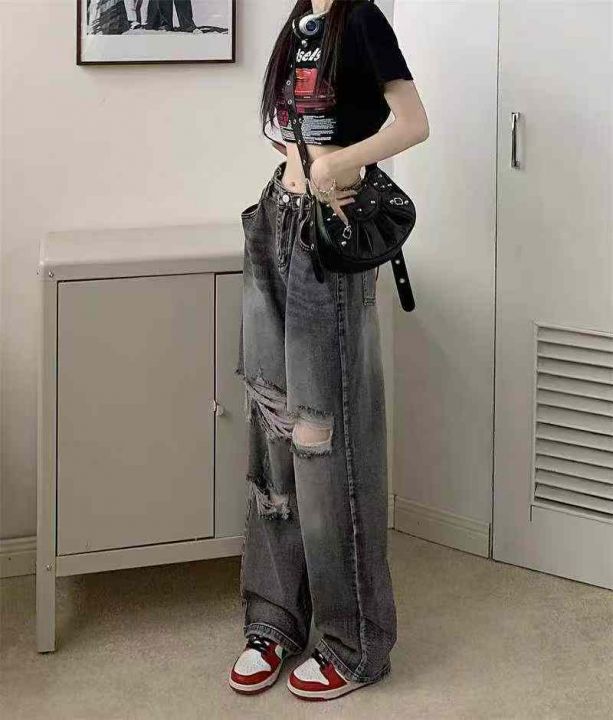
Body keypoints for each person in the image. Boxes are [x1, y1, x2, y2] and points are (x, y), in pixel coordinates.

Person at [229, 0, 429, 702]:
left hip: (328, 235)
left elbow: (413, 122)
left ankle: (353, 641)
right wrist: (296, 163)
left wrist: (339, 162)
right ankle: (274, 620)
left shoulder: (362, 21)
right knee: (273, 425)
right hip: (274, 224)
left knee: (324, 438)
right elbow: (285, 128)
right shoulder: (299, 26)